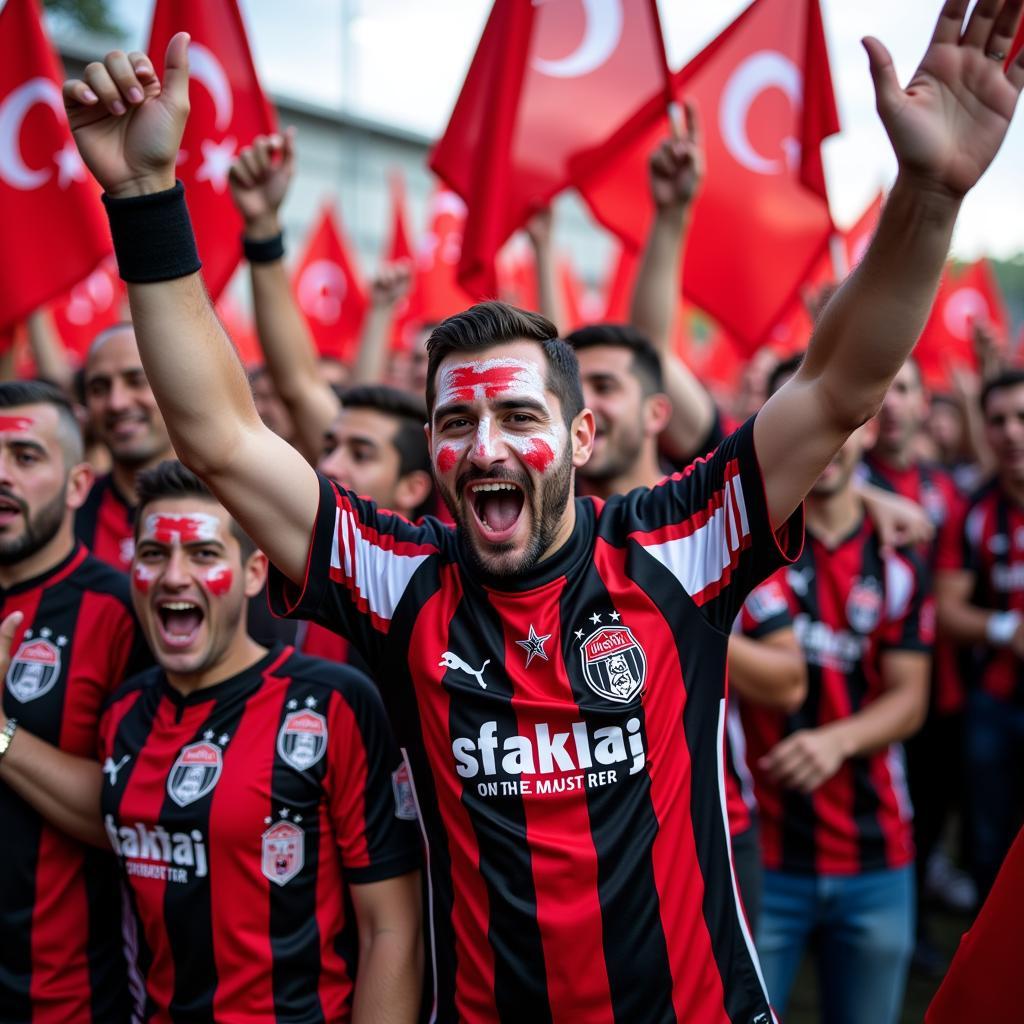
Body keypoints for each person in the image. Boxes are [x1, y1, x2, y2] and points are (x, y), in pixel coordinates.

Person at [62, 4, 1024, 1019]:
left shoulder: (676, 542)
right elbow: (218, 435)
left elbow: (837, 388)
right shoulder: (399, 577)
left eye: (518, 414)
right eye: (455, 421)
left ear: (577, 436)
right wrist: (144, 197)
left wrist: (926, 193)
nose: (483, 448)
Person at [0, 460, 422, 1022]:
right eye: (153, 555)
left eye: (202, 554)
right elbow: (101, 813)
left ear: (252, 573)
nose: (174, 576)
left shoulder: (333, 704)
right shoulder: (125, 711)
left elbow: (393, 929)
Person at [741, 381, 933, 1023]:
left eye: (844, 425)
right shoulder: (738, 549)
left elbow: (911, 700)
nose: (826, 442)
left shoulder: (899, 554)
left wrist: (836, 741)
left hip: (876, 853)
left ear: (870, 430)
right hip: (765, 854)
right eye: (805, 425)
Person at [0, 380, 150, 1022]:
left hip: (65, 1000)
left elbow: (137, 816)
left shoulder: (121, 610)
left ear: (79, 483)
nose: (0, 476)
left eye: (26, 458)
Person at [936, 368, 1024, 898]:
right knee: (991, 849)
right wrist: (1007, 628)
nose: (1011, 432)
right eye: (998, 421)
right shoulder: (974, 511)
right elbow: (946, 612)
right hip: (994, 706)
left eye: (1022, 418)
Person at [76, 322, 174, 569]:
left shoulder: (232, 506)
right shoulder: (64, 516)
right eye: (99, 388)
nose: (116, 403)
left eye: (137, 381)